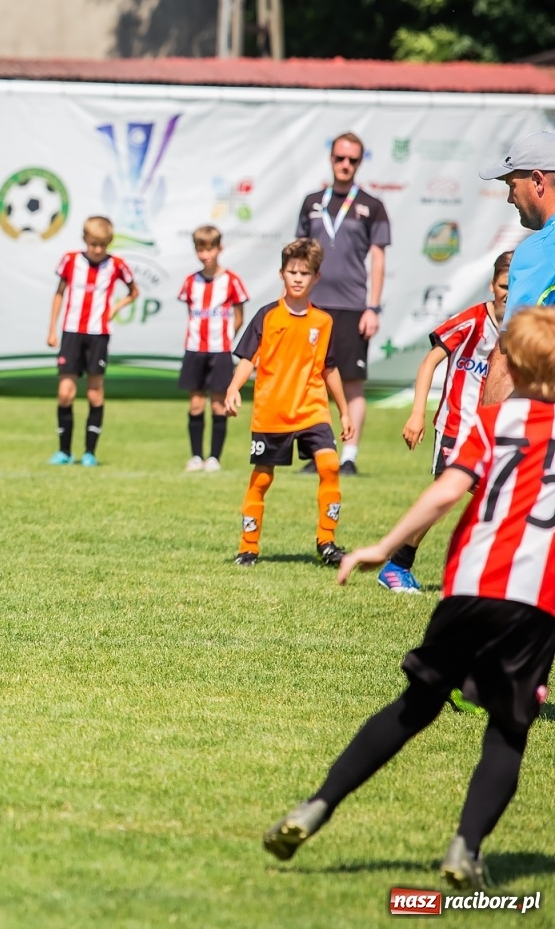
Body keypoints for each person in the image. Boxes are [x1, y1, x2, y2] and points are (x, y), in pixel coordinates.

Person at [264, 307, 555, 891]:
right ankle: (464, 848)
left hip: (470, 586)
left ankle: (317, 806)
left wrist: (384, 546)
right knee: (507, 729)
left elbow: (448, 488)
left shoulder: (491, 420)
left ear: (511, 363)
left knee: (415, 704)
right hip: (534, 602)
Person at [380, 252, 513, 593]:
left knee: (492, 500)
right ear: (491, 285)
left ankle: (479, 573)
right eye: (502, 285)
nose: (507, 293)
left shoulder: (521, 328)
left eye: (514, 285)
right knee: (449, 498)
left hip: (490, 434)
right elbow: (429, 362)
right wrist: (416, 413)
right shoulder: (471, 321)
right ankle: (398, 565)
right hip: (455, 427)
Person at [223, 239, 353, 568]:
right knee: (262, 478)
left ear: (316, 278)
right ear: (281, 274)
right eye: (292, 271)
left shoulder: (322, 322)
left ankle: (327, 541)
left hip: (312, 409)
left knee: (329, 466)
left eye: (304, 273)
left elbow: (329, 368)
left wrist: (345, 410)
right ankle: (248, 547)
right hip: (272, 412)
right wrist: (233, 388)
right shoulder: (267, 316)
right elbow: (247, 359)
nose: (297, 278)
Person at [294, 132, 391, 475]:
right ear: (331, 159)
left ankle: (348, 456)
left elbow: (377, 260)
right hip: (314, 307)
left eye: (352, 159)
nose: (345, 165)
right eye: (340, 158)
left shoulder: (372, 206)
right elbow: (300, 256)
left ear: (360, 162)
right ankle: (318, 452)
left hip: (352, 307)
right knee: (312, 382)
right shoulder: (312, 202)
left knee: (351, 382)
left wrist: (373, 308)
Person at [45, 215, 139, 467]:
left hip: (98, 334)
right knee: (65, 393)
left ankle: (90, 452)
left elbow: (133, 292)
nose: (98, 250)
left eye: (103, 245)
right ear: (85, 239)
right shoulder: (70, 261)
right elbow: (59, 293)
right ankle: (64, 451)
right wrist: (52, 329)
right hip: (71, 333)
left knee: (95, 393)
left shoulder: (116, 264)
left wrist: (116, 308)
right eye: (93, 244)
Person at [478, 130, 555, 406]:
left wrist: (484, 441)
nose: (511, 199)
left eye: (512, 185)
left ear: (537, 181)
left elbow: (510, 354)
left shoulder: (539, 250)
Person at [176, 225, 249, 472]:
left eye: (210, 249)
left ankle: (214, 458)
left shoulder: (231, 281)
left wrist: (227, 338)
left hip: (220, 351)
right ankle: (196, 456)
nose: (205, 255)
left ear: (220, 248)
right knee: (196, 403)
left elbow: (239, 316)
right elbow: (191, 313)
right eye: (200, 249)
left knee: (219, 404)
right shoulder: (190, 282)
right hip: (195, 349)